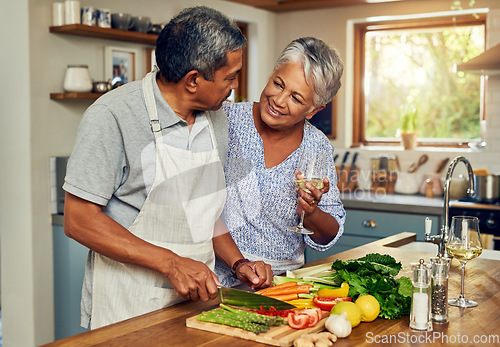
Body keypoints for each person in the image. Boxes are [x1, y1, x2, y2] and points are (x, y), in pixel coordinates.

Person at [63, 6, 272, 330]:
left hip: (197, 305)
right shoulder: (112, 116)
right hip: (128, 306)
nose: (234, 85)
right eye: (229, 77)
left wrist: (237, 261)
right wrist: (171, 264)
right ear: (193, 81)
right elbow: (78, 221)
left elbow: (204, 208)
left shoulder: (216, 116)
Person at [215, 37, 346, 287]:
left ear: (314, 110)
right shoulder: (226, 119)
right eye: (278, 84)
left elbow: (328, 233)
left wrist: (311, 211)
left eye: (296, 98)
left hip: (282, 286)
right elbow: (203, 210)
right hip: (217, 278)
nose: (279, 100)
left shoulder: (317, 146)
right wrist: (239, 264)